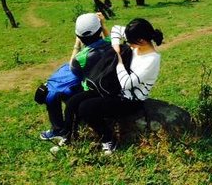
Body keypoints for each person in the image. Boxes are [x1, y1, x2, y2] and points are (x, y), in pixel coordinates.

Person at [57, 18, 163, 155]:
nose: (129, 45)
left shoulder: (152, 60)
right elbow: (116, 30)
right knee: (73, 102)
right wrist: (112, 39)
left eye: (131, 43)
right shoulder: (138, 41)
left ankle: (109, 140)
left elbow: (127, 83)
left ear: (141, 40)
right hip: (114, 90)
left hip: (129, 100)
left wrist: (118, 58)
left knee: (86, 108)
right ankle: (68, 136)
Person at [39, 13, 111, 141]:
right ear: (99, 30)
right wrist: (103, 25)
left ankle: (58, 129)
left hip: (88, 88)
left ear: (79, 36)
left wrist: (76, 44)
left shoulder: (82, 57)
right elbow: (109, 38)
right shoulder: (109, 46)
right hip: (104, 85)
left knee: (52, 92)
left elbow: (73, 67)